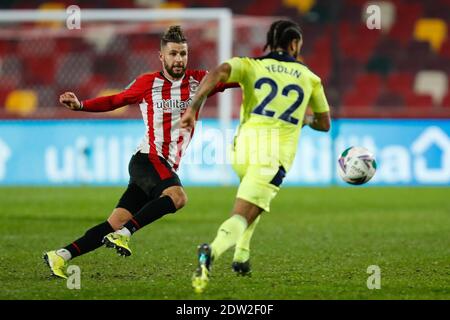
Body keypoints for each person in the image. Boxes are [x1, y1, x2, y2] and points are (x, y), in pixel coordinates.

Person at [43, 26, 237, 279]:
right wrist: (81, 105)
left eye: (183, 54)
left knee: (114, 222)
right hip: (148, 159)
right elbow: (116, 100)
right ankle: (124, 235)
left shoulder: (199, 81)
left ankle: (61, 255)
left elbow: (237, 78)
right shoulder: (148, 83)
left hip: (161, 165)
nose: (179, 59)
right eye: (173, 54)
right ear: (161, 57)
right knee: (177, 197)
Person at [181, 20, 331, 293]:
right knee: (244, 212)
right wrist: (304, 120)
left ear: (270, 43)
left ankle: (242, 254)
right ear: (294, 44)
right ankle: (211, 252)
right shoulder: (310, 78)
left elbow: (219, 71)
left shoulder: (250, 64)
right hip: (272, 155)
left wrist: (193, 107)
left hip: (242, 150)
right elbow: (325, 123)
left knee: (253, 202)